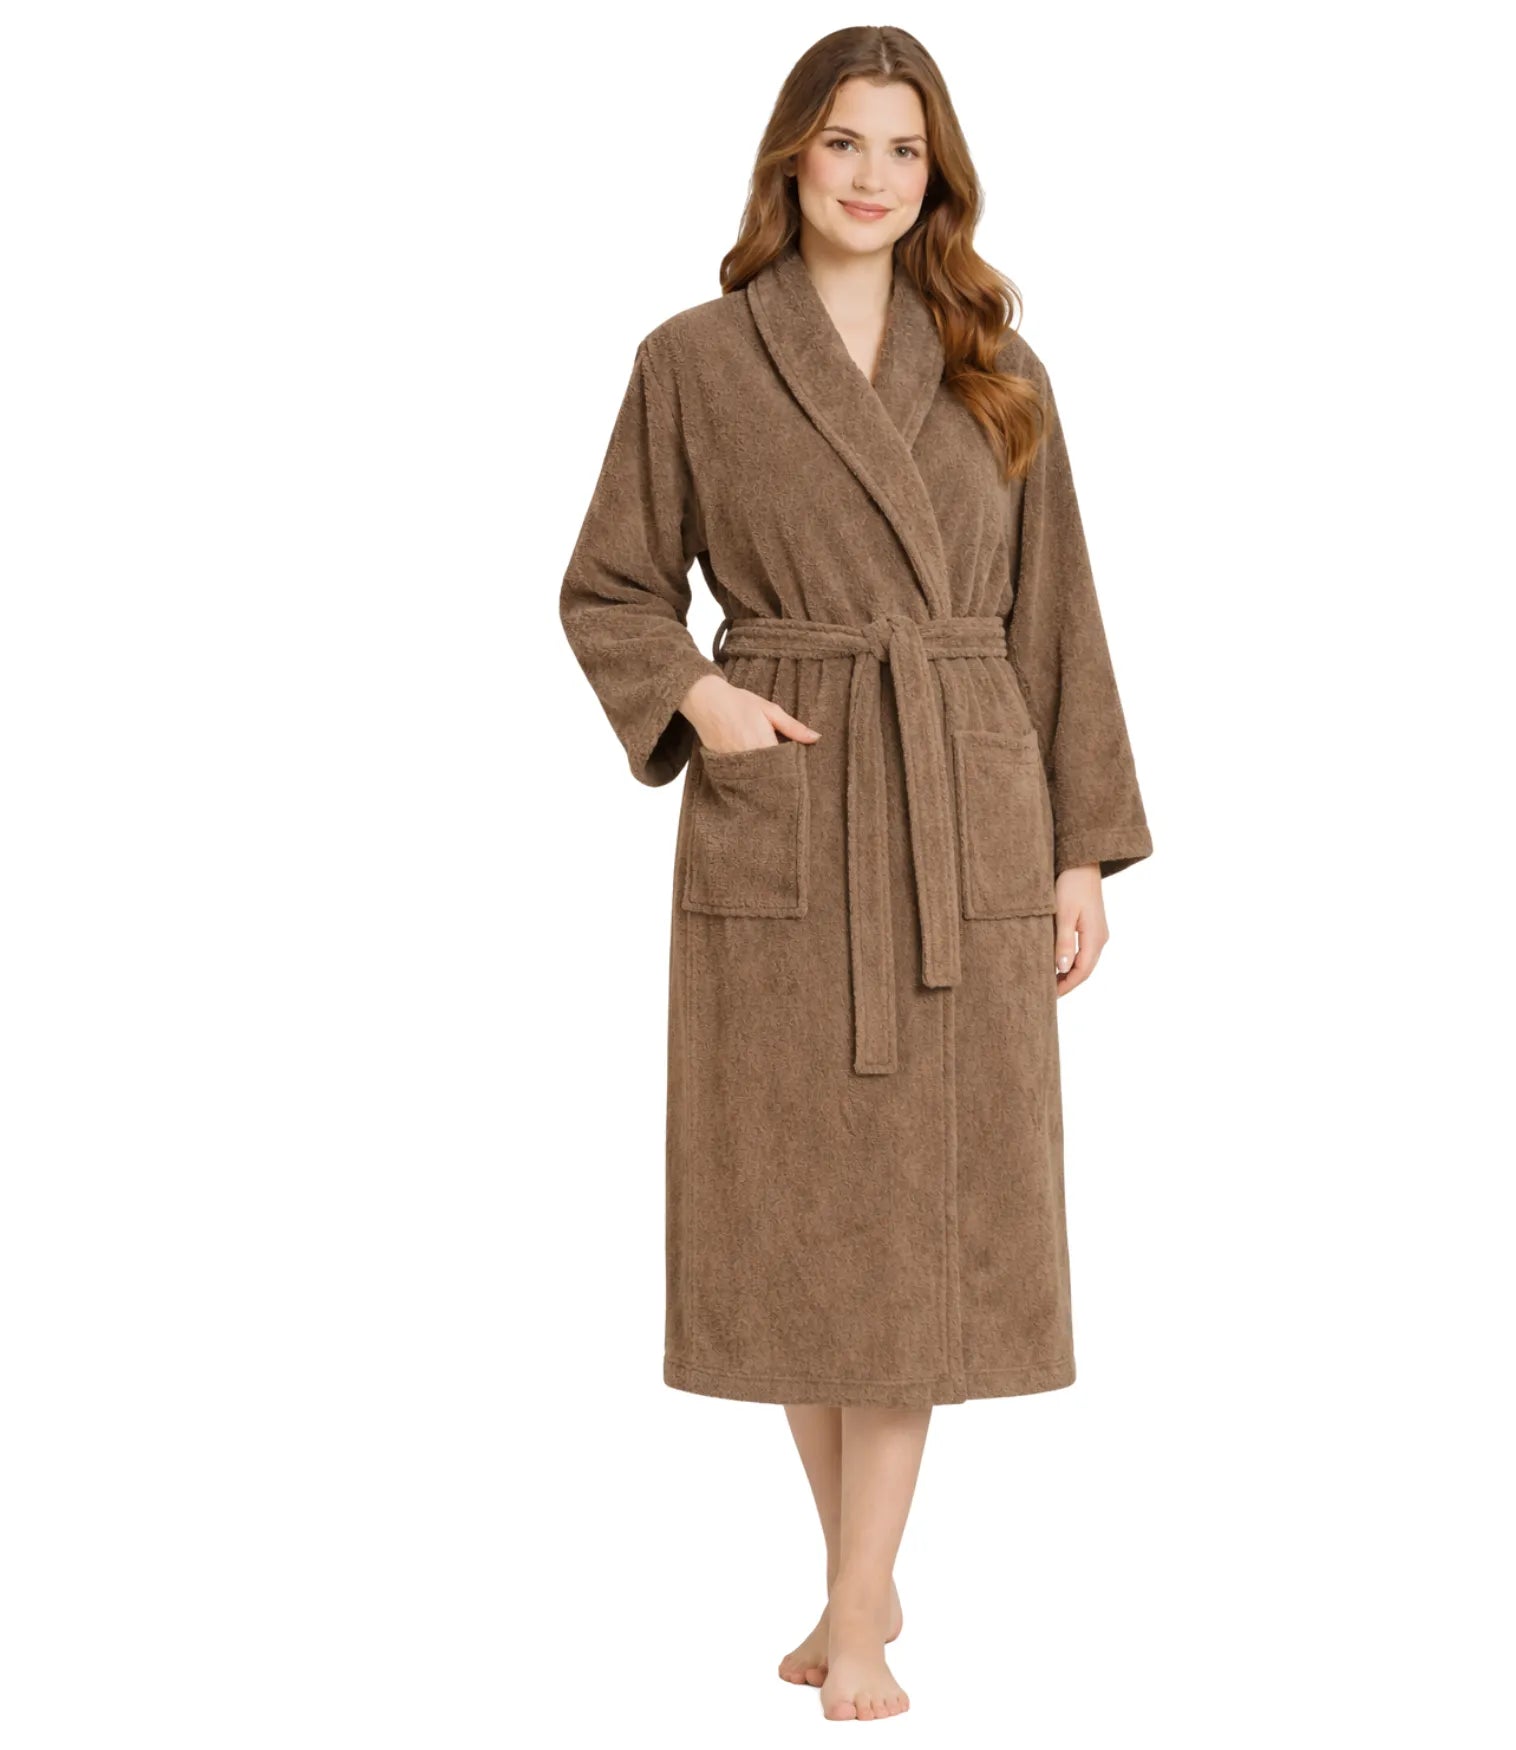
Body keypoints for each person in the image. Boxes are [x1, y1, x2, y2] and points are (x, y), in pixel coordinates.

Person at [557, 27, 1153, 1722]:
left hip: (959, 812)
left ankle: (857, 1607)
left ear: (935, 174)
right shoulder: (692, 359)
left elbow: (1056, 611)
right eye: (843, 144)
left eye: (904, 148)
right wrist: (699, 699)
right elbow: (609, 585)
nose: (873, 176)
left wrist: (1077, 847)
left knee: (917, 1231)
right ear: (790, 162)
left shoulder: (994, 364)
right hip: (787, 804)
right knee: (804, 1228)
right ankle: (857, 1586)